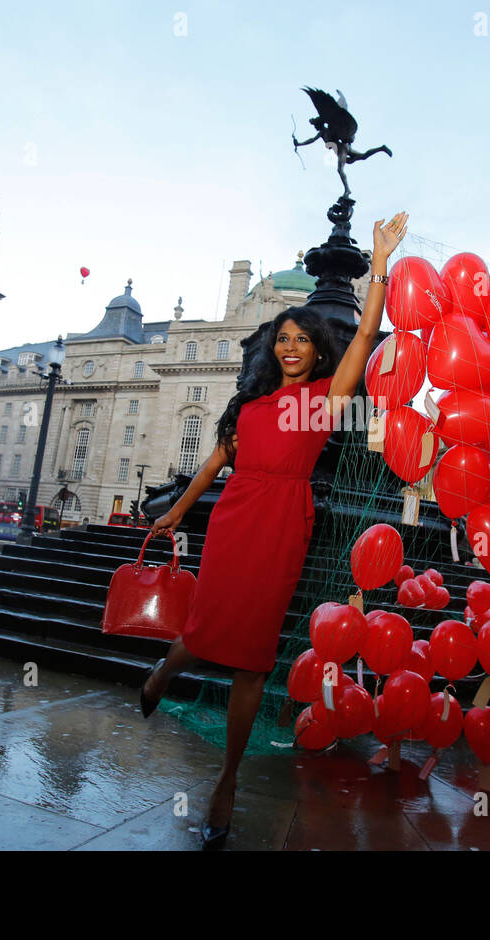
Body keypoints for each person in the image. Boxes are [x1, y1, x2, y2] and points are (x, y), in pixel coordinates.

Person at [139, 211, 408, 849]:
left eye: (301, 340)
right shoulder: (251, 406)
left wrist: (380, 263)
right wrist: (179, 510)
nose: (290, 346)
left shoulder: (324, 400)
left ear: (316, 352)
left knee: (253, 660)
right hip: (234, 521)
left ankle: (226, 781)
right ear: (274, 347)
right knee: (204, 633)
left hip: (284, 525)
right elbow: (215, 461)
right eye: (282, 338)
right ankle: (161, 674)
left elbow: (368, 334)